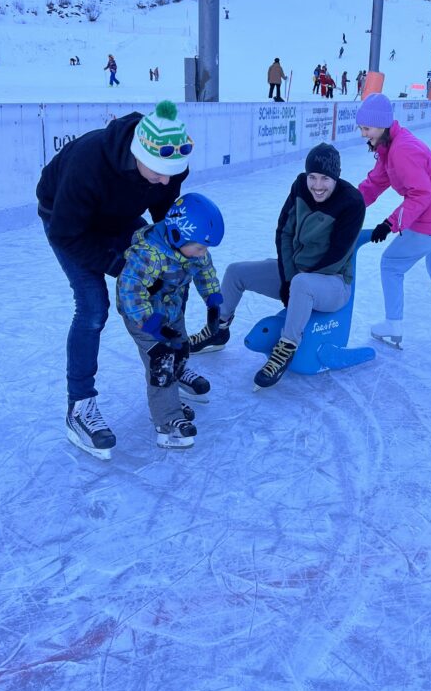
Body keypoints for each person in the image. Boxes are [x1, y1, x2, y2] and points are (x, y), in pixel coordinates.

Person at [36, 100, 193, 459]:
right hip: (69, 224)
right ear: (139, 154)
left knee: (166, 280)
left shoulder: (168, 165)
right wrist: (120, 266)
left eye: (172, 173)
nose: (166, 180)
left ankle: (172, 363)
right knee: (93, 307)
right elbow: (65, 234)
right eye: (159, 173)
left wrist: (173, 258)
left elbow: (164, 215)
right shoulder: (88, 164)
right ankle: (80, 406)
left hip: (118, 216)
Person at [188, 144, 365, 389]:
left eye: (325, 178)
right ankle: (218, 329)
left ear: (336, 177)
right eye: (312, 176)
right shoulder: (300, 187)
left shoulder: (352, 202)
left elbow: (338, 253)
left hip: (333, 283)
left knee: (303, 283)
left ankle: (287, 347)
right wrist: (288, 279)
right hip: (296, 276)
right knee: (236, 272)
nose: (317, 185)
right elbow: (284, 232)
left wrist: (296, 284)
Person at [354, 93, 431, 347]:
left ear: (382, 125)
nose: (363, 134)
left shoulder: (402, 150)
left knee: (391, 264)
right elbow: (375, 183)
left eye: (367, 128)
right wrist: (349, 205)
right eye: (362, 128)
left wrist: (389, 224)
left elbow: (421, 194)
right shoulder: (390, 146)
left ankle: (393, 324)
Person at [117, 194, 224, 450]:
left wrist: (213, 302)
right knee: (162, 363)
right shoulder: (148, 255)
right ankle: (166, 420)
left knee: (181, 350)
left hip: (171, 311)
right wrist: (155, 328)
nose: (203, 253)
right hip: (142, 317)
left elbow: (205, 271)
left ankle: (171, 398)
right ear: (177, 236)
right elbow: (130, 294)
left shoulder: (193, 248)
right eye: (200, 247)